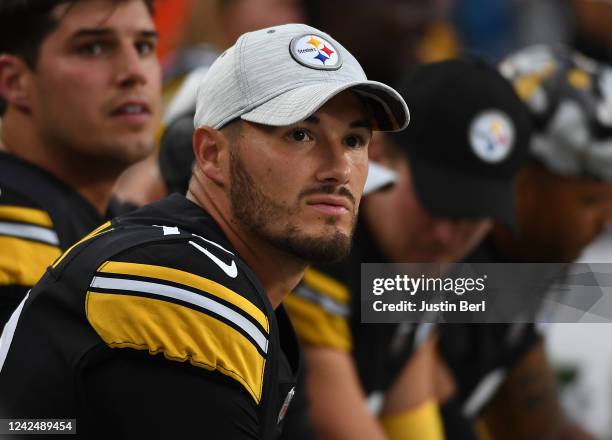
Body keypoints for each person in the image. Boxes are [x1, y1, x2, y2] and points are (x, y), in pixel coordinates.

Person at [0, 23, 409, 439]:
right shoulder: (183, 282)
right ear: (212, 154)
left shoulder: (230, 275)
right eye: (300, 134)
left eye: (355, 141)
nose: (339, 169)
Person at [283, 56, 531, 439]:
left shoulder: (413, 272)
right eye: (436, 205)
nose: (447, 236)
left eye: (472, 218)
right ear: (378, 155)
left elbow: (413, 419)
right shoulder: (320, 247)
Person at [438, 45, 611, 440]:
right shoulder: (440, 274)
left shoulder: (513, 274)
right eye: (593, 199)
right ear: (520, 184)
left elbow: (540, 429)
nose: (607, 221)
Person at [0, 0, 161, 329]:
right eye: (94, 48)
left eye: (144, 46)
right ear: (14, 82)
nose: (134, 73)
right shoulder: (12, 234)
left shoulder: (124, 222)